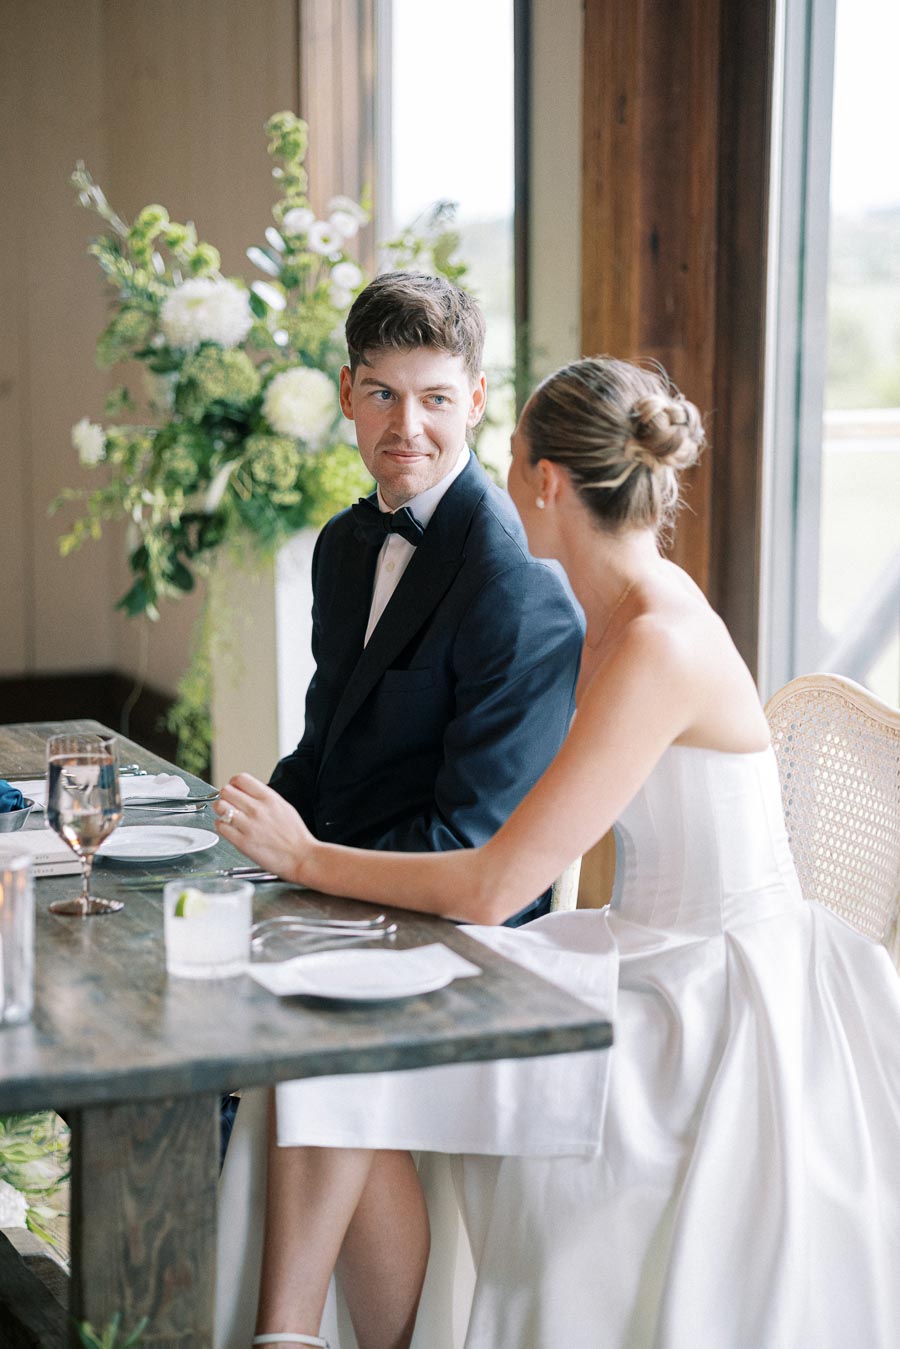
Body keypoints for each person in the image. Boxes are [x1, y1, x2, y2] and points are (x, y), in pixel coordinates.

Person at [216, 356, 900, 1349]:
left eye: (505, 461)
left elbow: (497, 883)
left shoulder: (659, 640)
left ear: (545, 481)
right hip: (630, 951)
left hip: (703, 1008)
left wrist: (308, 855)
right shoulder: (607, 604)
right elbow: (534, 836)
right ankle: (297, 1335)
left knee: (341, 1047)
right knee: (326, 1026)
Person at [267, 270, 583, 927]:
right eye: (384, 393)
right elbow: (321, 755)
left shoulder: (516, 583)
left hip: (451, 934)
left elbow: (476, 843)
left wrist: (310, 868)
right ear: (349, 394)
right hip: (337, 897)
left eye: (435, 399)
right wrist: (238, 843)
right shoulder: (340, 545)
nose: (407, 427)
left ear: (474, 401)